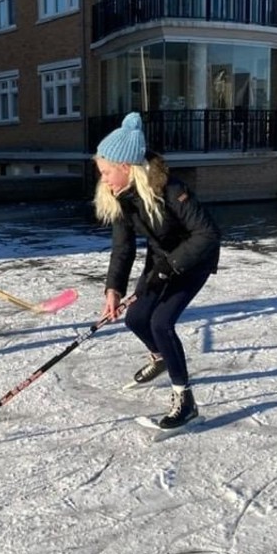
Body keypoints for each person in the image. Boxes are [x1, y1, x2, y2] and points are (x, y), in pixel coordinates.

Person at [94, 112, 221, 429]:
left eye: (107, 172)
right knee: (137, 318)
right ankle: (162, 356)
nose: (104, 179)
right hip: (162, 260)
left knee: (161, 321)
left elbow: (207, 234)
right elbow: (123, 248)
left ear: (126, 167)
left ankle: (185, 401)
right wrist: (114, 290)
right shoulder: (121, 197)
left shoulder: (170, 189)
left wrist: (170, 266)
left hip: (194, 259)